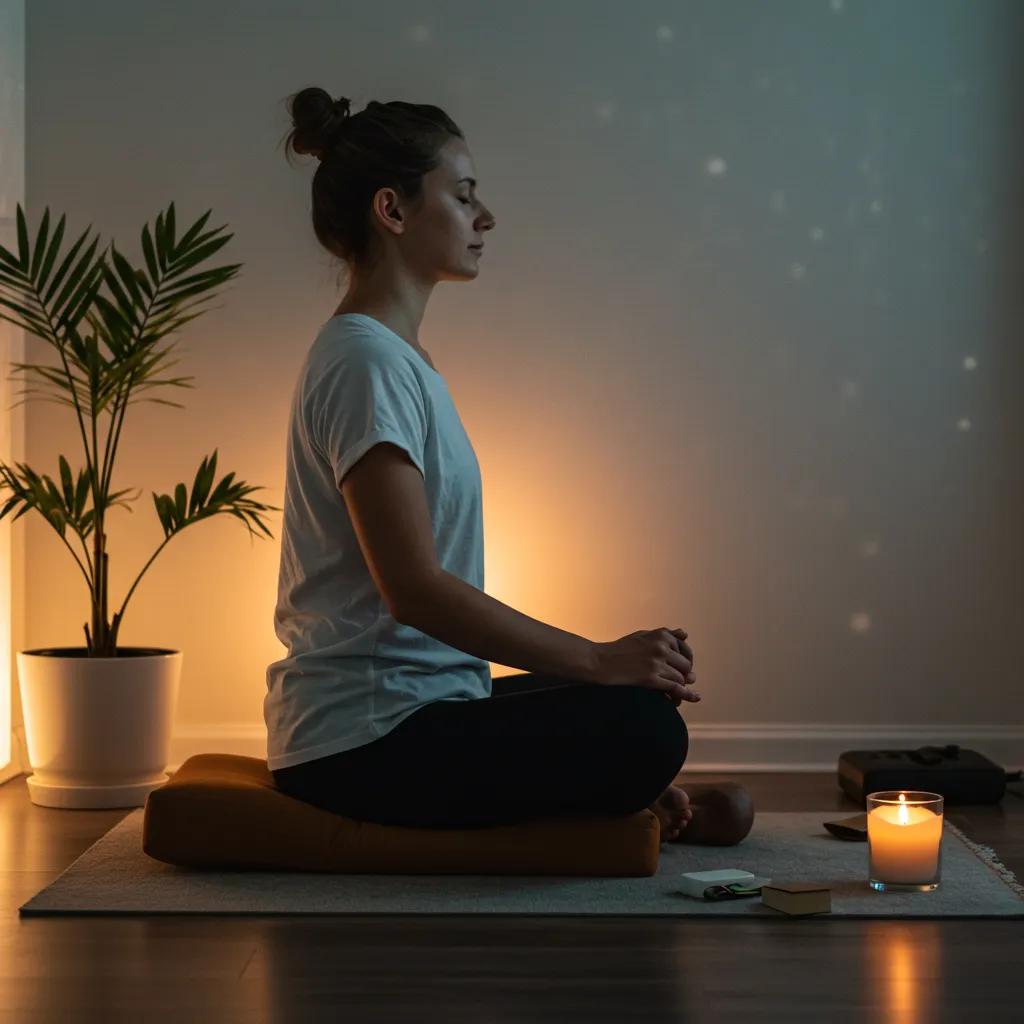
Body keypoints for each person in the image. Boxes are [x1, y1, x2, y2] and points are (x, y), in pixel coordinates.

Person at [265, 88, 753, 845]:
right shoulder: (365, 363)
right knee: (642, 726)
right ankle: (608, 784)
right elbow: (415, 591)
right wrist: (595, 659)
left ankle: (603, 787)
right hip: (362, 742)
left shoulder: (396, 360)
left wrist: (599, 669)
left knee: (630, 698)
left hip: (420, 710)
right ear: (392, 210)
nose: (484, 218)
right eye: (462, 197)